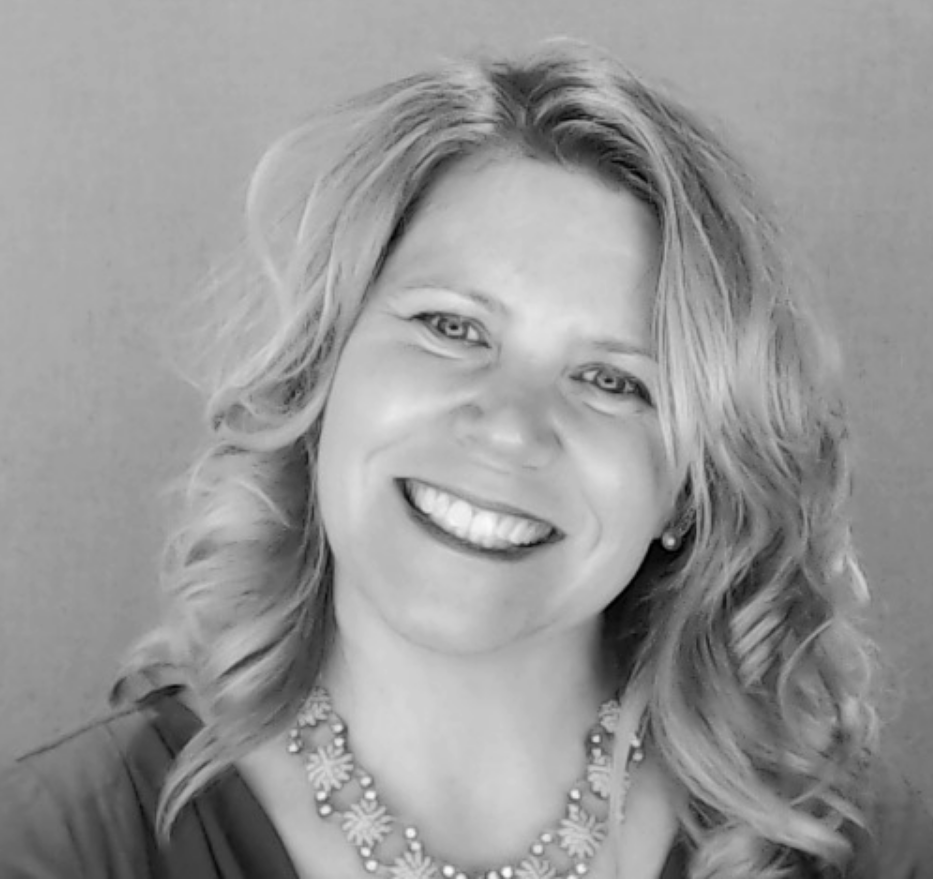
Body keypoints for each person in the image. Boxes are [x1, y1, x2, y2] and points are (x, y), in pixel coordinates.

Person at [0, 39, 930, 878]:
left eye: (613, 381)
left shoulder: (867, 852)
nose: (510, 427)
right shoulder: (56, 847)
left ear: (692, 485)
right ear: (322, 370)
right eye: (452, 326)